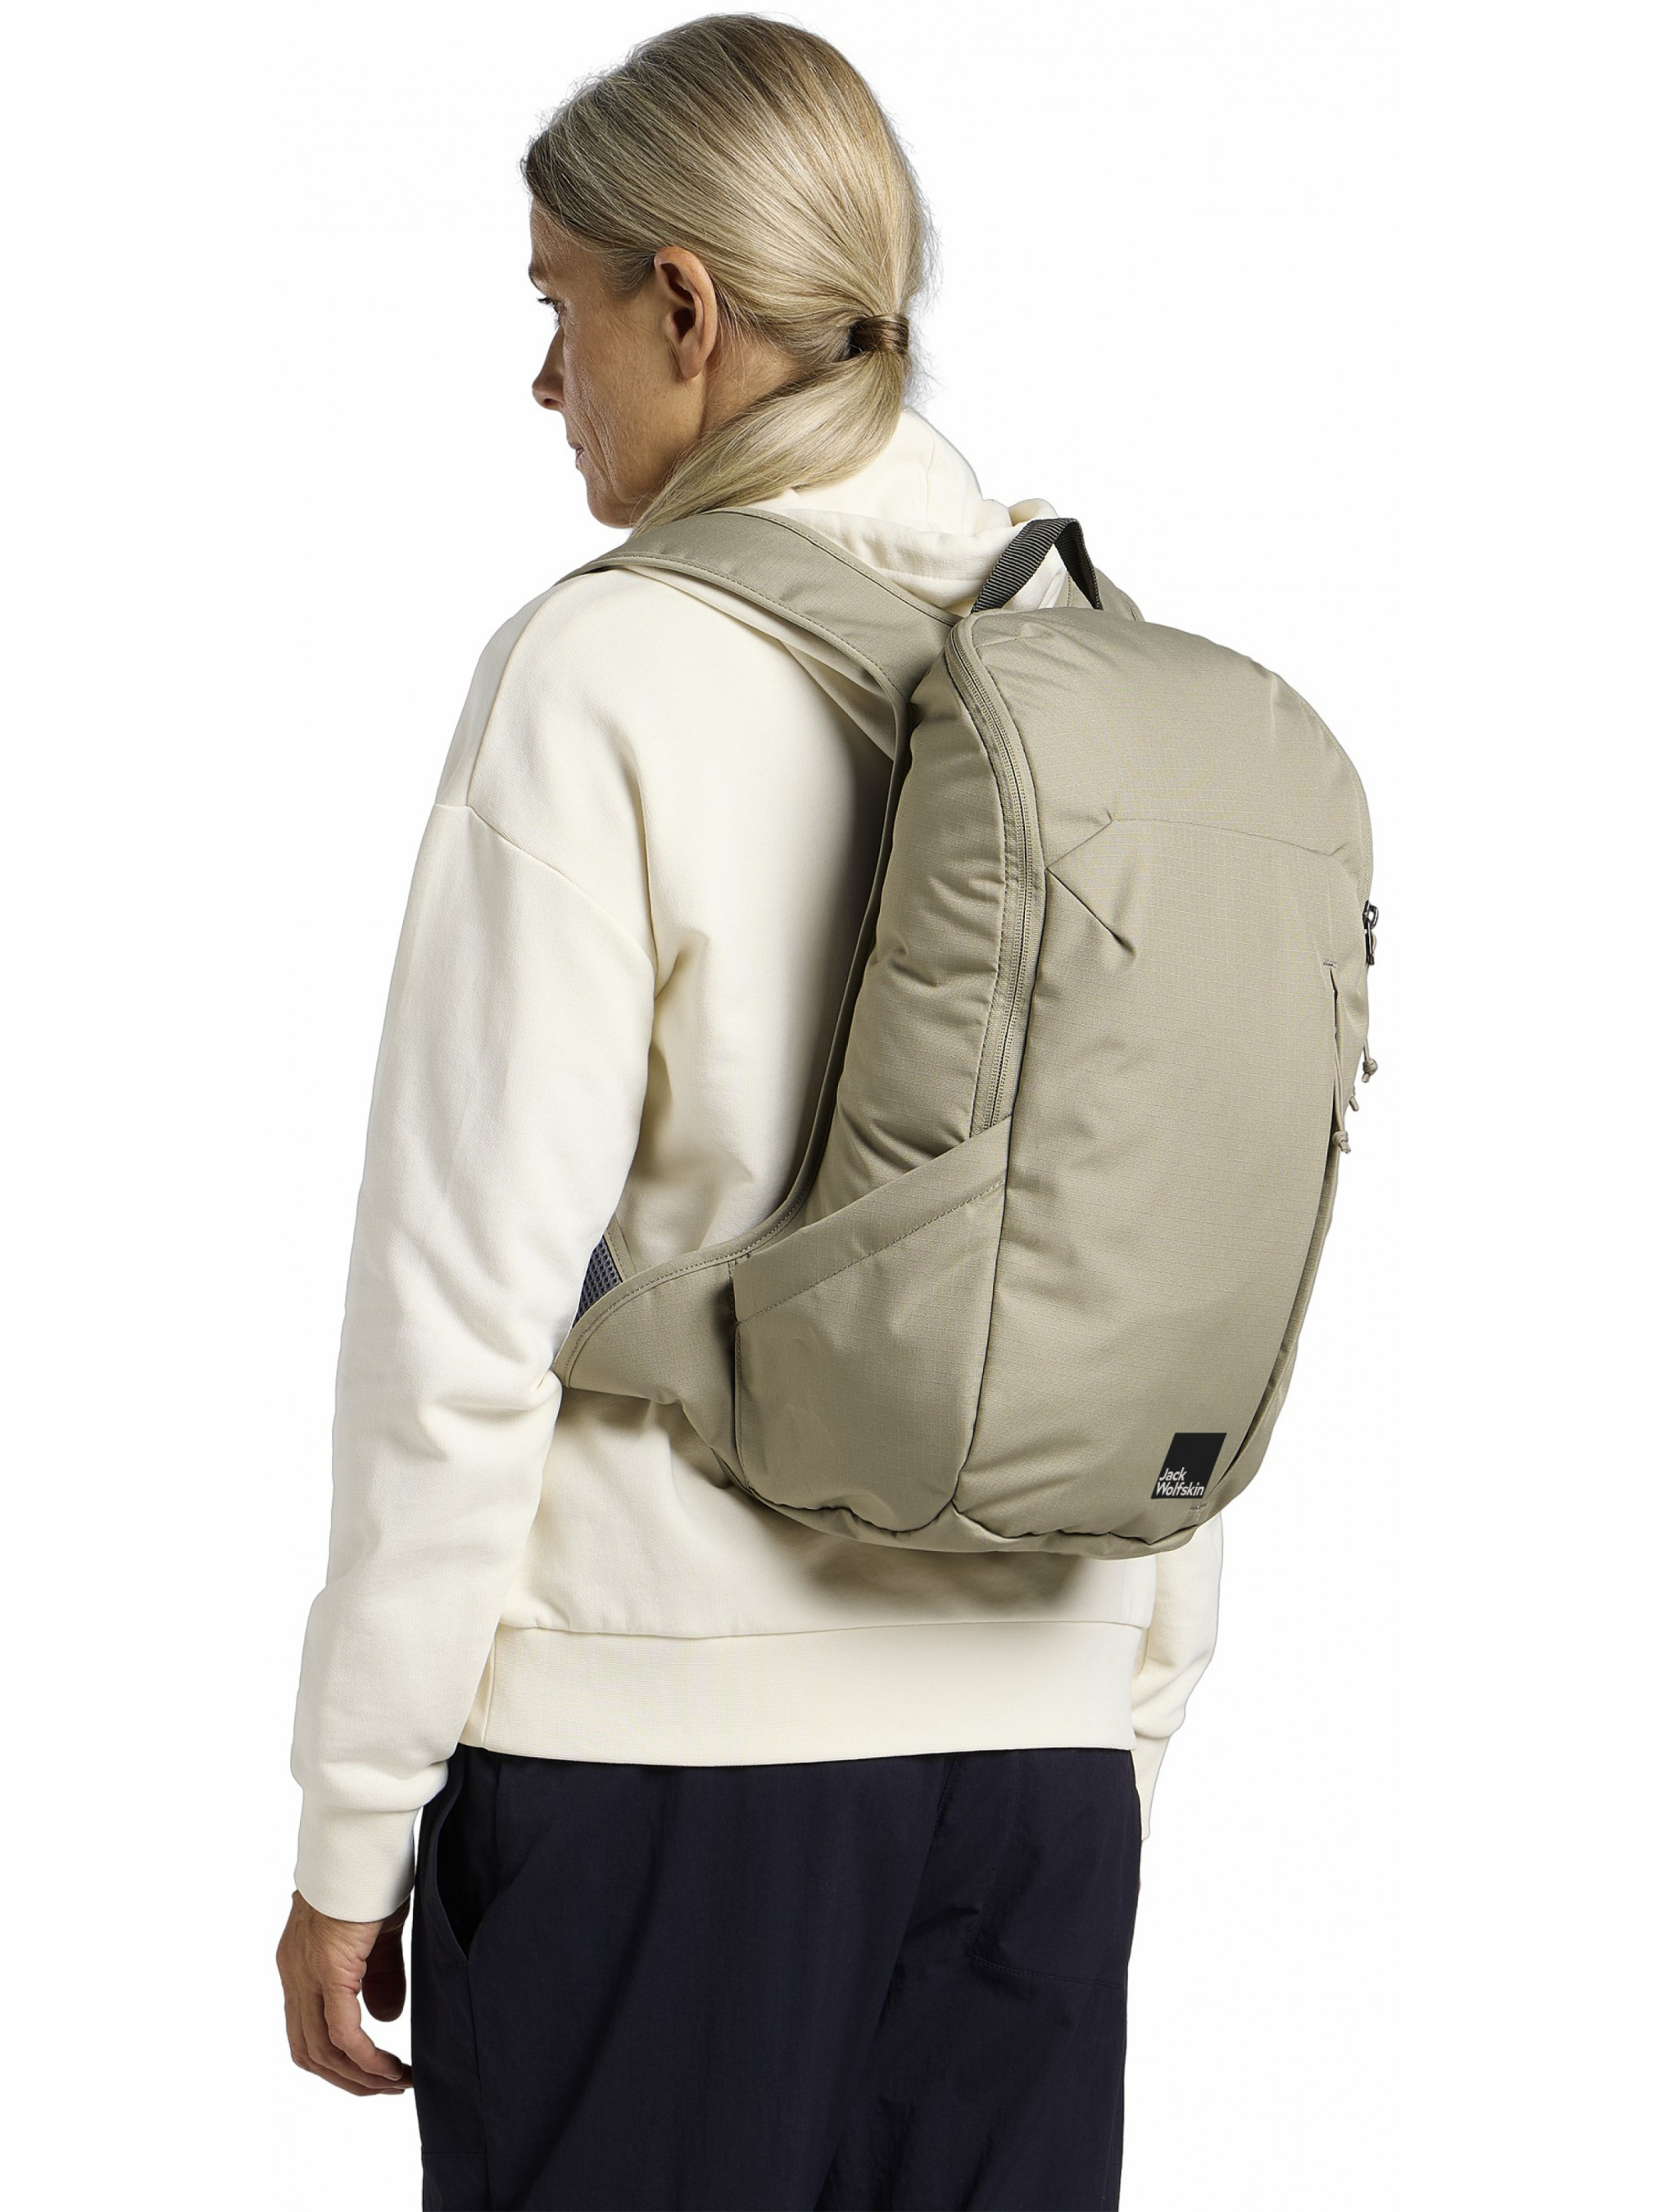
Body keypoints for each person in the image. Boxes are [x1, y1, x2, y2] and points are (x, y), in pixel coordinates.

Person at [276, 16, 1223, 2209]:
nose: (544, 378)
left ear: (685, 306)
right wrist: (1122, 1707)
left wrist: (353, 1816)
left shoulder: (604, 669)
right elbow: (1167, 1226)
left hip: (661, 1772)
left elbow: (458, 1312)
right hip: (1038, 1764)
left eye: (560, 305)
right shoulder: (1100, 655)